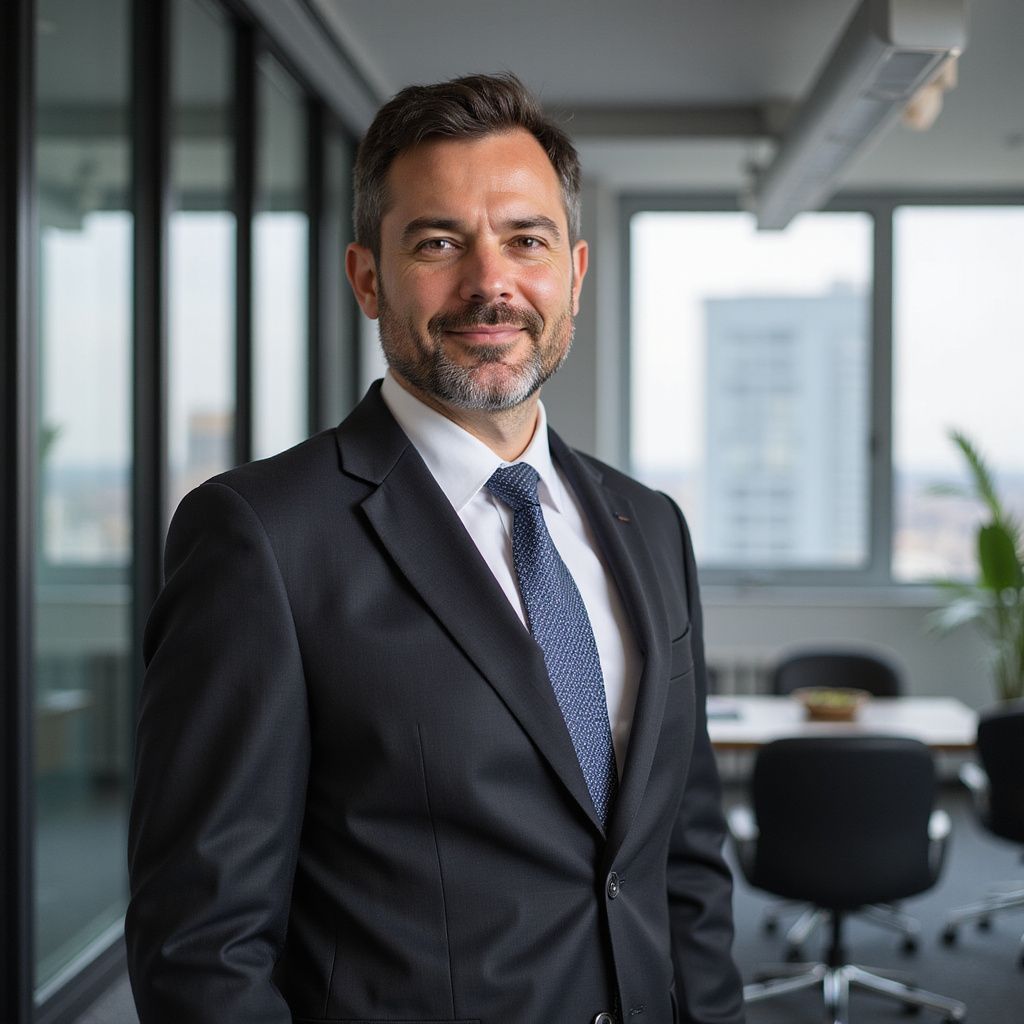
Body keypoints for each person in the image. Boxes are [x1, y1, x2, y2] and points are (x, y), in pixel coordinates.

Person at [126, 72, 745, 1024]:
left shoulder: (649, 524)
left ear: (574, 272)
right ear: (368, 276)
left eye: (526, 240)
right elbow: (199, 938)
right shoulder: (260, 537)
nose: (489, 282)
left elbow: (685, 858)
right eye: (439, 241)